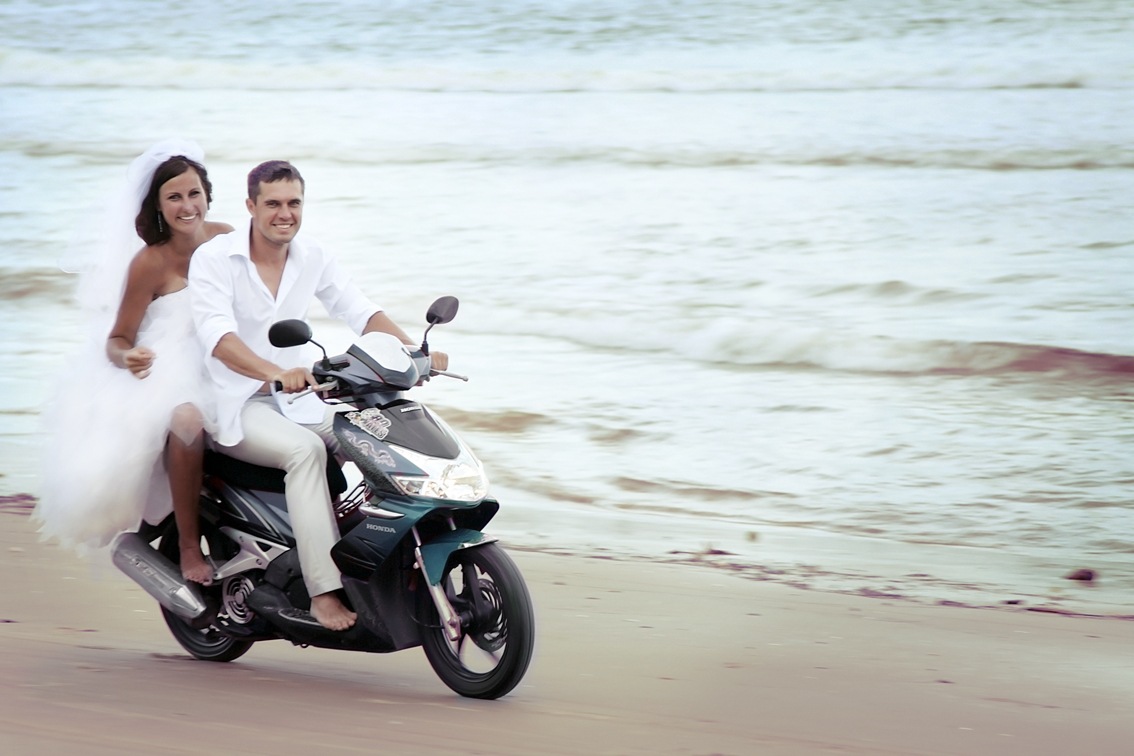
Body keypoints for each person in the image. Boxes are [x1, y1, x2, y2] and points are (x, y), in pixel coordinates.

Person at [188, 160, 447, 631]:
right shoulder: (215, 259)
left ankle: (370, 551)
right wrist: (275, 372)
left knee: (377, 431)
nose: (284, 214)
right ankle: (322, 592)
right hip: (236, 403)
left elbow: (360, 312)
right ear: (250, 206)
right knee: (306, 452)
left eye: (293, 203)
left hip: (300, 399)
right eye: (273, 204)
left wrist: (414, 353)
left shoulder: (313, 255)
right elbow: (218, 339)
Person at [35, 140, 233, 584]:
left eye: (194, 193)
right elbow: (118, 338)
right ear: (158, 206)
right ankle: (188, 547)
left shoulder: (226, 238)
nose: (187, 205)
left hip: (225, 351)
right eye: (174, 197)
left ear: (208, 195)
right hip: (171, 365)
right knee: (187, 420)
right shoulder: (149, 262)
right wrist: (128, 356)